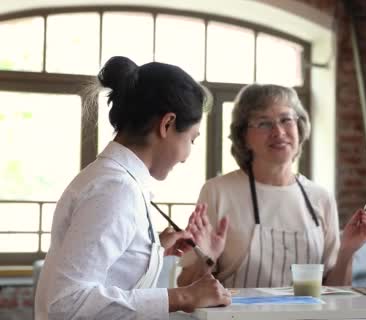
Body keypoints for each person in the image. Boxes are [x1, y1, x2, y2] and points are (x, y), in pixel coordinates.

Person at [35, 56, 231, 320]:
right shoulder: (116, 190)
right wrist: (184, 296)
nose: (186, 156)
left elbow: (104, 272)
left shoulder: (115, 180)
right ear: (167, 124)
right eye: (191, 140)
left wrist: (150, 250)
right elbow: (67, 303)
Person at [177, 84, 366, 288]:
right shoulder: (218, 192)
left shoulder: (321, 198)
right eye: (264, 123)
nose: (278, 132)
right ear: (243, 136)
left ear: (299, 128)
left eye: (286, 120)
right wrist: (205, 260)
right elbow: (185, 287)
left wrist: (347, 252)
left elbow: (335, 291)